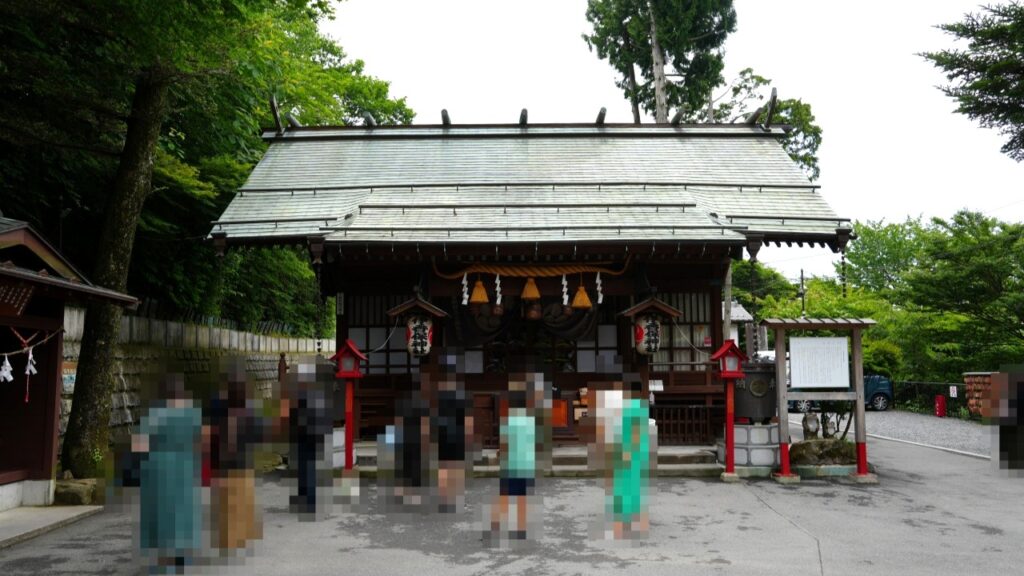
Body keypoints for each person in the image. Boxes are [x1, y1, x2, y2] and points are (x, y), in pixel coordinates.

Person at [134, 373, 204, 574]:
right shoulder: (192, 413)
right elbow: (199, 441)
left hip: (160, 467)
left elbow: (140, 443)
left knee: (162, 511)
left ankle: (163, 561)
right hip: (186, 465)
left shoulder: (157, 413)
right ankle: (182, 554)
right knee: (183, 510)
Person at [207, 360, 265, 555]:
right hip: (242, 458)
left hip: (225, 459)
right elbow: (257, 432)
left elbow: (211, 430)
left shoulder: (218, 402)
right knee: (241, 498)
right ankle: (241, 535)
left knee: (227, 501)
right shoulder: (248, 406)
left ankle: (229, 538)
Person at [488, 379, 537, 543]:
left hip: (512, 463)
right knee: (522, 497)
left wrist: (501, 452)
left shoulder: (511, 419)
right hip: (526, 462)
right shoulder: (529, 419)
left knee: (507, 495)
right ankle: (521, 529)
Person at [606, 380, 651, 539]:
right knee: (634, 489)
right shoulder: (640, 410)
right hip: (636, 455)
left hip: (621, 453)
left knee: (622, 488)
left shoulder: (619, 410)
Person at [435, 356, 472, 513]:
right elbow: (466, 417)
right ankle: (457, 501)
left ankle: (444, 501)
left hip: (443, 433)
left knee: (444, 467)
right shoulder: (460, 392)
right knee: (455, 468)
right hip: (456, 433)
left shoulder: (440, 391)